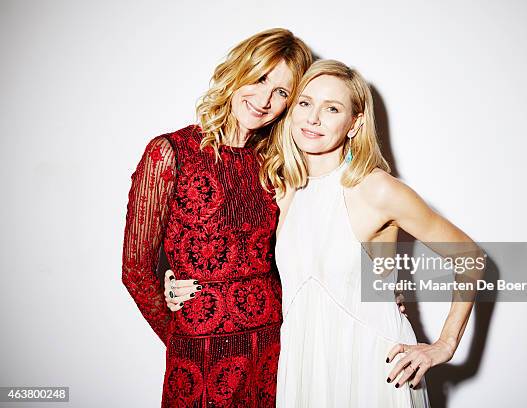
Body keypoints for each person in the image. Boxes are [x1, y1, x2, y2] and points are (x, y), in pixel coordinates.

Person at [262, 59, 485, 407]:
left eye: (332, 108)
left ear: (355, 123)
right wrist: (176, 279)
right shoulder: (285, 188)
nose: (313, 117)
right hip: (304, 369)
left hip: (371, 368)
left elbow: (471, 257)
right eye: (305, 103)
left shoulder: (376, 189)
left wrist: (444, 345)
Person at [121, 28, 312, 407]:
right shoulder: (169, 152)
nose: (264, 99)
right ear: (237, 73)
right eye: (260, 79)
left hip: (274, 350)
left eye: (281, 92)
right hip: (199, 359)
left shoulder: (278, 164)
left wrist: (387, 291)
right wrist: (182, 334)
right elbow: (136, 269)